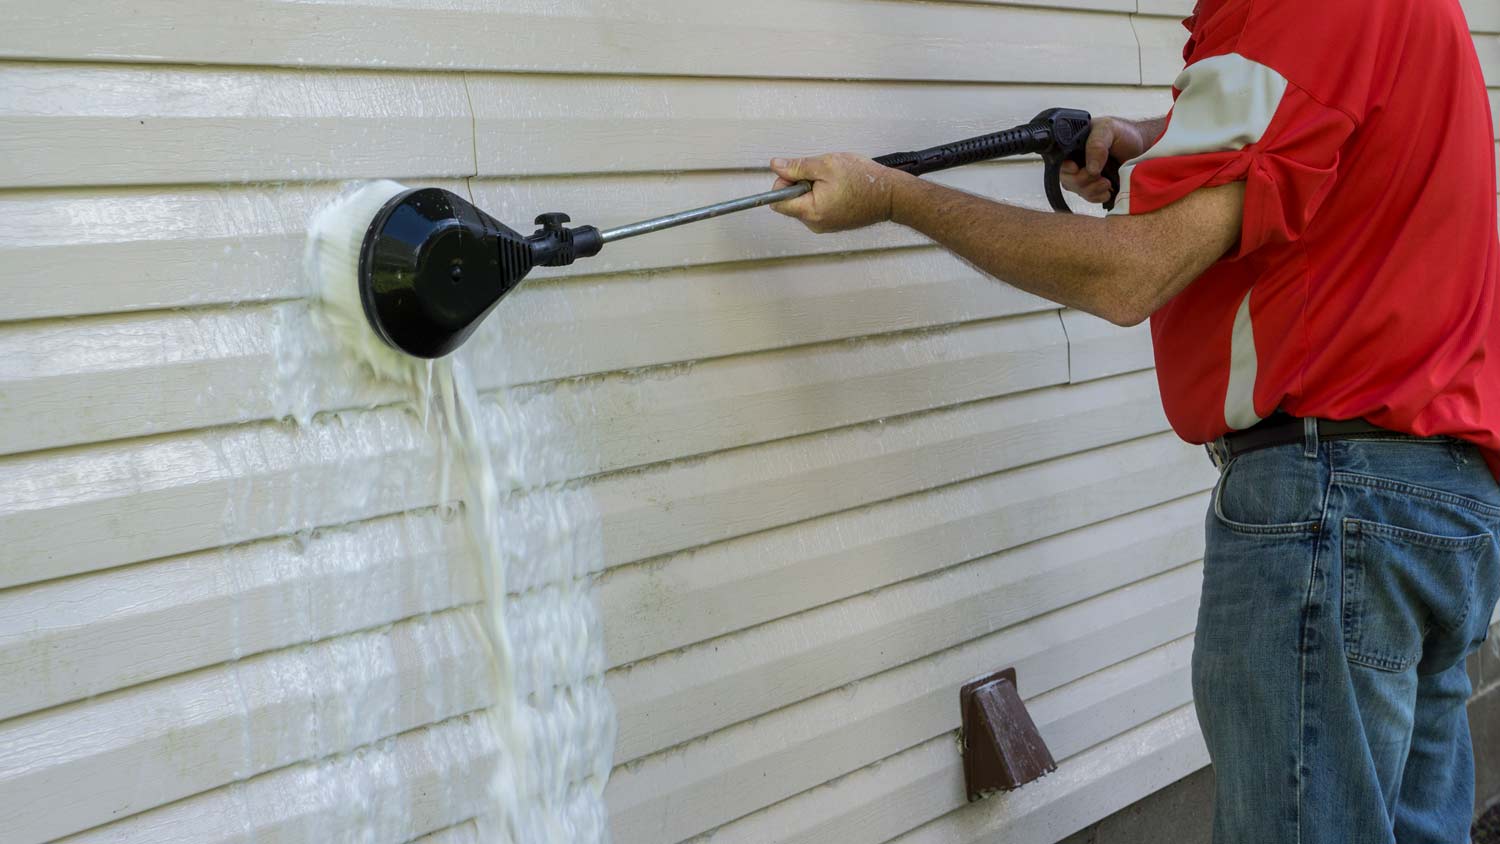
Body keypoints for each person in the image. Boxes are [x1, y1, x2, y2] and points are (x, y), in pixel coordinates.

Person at [767, 0, 1500, 841]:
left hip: (1339, 512)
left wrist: (898, 200)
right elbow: (1329, 134)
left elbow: (1133, 273)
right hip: (1439, 506)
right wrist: (1158, 141)